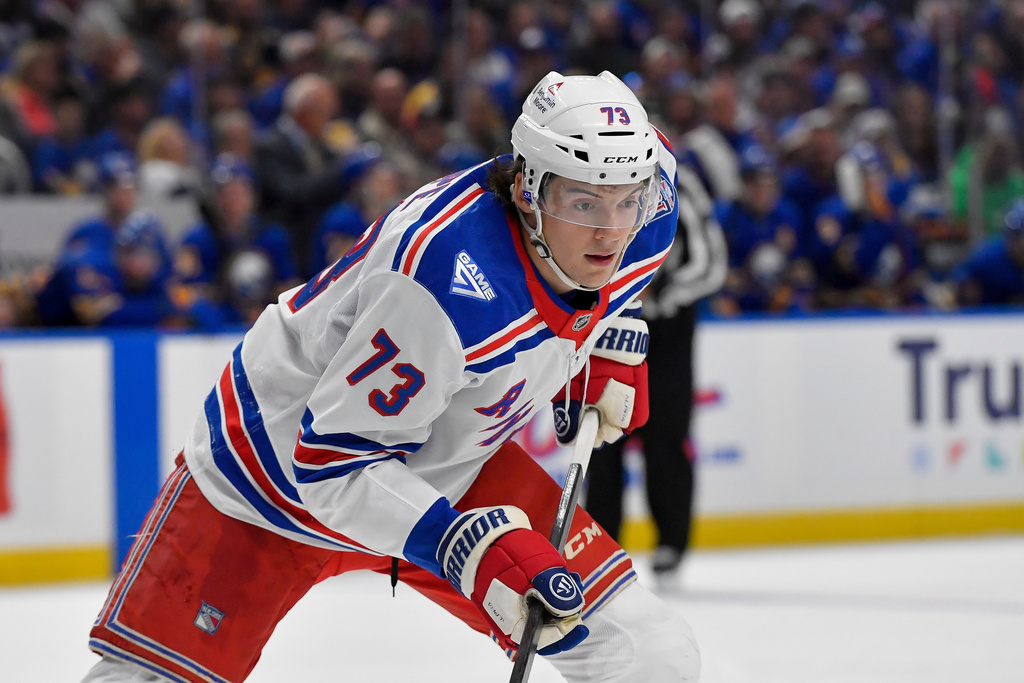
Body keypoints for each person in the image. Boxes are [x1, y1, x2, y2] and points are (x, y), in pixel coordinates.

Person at [82, 71, 700, 683]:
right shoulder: (442, 284)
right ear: (528, 189)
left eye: (627, 199)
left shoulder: (648, 204)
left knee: (651, 656)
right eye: (583, 202)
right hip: (269, 478)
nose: (611, 229)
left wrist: (601, 336)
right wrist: (465, 548)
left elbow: (613, 264)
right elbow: (331, 464)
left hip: (452, 469)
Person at [584, 160, 727, 582]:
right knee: (600, 434)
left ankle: (671, 542)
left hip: (667, 327)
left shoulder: (681, 182)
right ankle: (601, 543)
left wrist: (661, 290)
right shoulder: (591, 174)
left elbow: (710, 261)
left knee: (665, 434)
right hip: (605, 322)